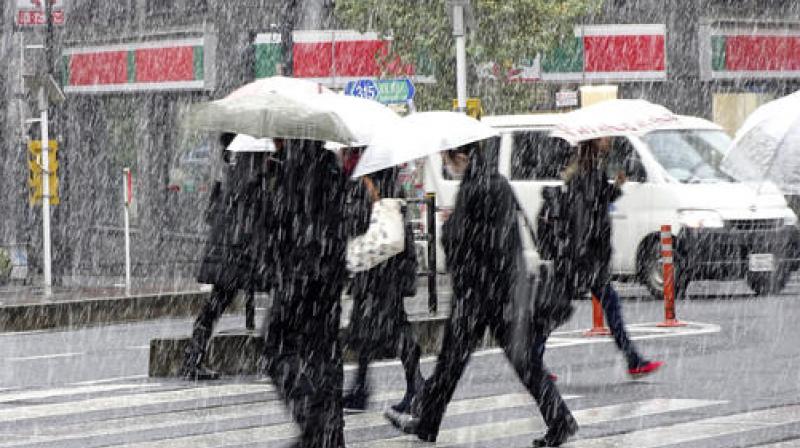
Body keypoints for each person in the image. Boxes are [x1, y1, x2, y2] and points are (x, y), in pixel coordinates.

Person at [385, 143, 578, 448]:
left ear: (460, 156)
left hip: (481, 292)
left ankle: (428, 424)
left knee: (455, 362)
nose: (446, 165)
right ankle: (559, 420)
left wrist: (449, 228)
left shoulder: (477, 186)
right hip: (502, 290)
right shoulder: (494, 180)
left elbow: (462, 240)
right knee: (511, 362)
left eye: (446, 158)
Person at [263, 139, 366, 448]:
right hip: (328, 281)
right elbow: (352, 221)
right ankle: (330, 435)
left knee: (277, 348)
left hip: (297, 280)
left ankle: (315, 428)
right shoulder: (331, 168)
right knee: (325, 359)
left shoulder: (284, 168)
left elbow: (272, 227)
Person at [538, 137, 663, 379]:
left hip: (585, 258)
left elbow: (598, 203)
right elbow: (585, 218)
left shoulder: (590, 169)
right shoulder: (585, 173)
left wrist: (615, 186)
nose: (609, 141)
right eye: (605, 138)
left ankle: (633, 360)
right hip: (583, 259)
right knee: (557, 310)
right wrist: (586, 256)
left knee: (566, 309)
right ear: (594, 143)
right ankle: (532, 359)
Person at [180, 134, 275, 381]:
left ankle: (193, 358)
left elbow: (213, 213)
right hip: (241, 250)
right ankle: (272, 360)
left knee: (215, 304)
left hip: (225, 247)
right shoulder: (256, 174)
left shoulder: (232, 169)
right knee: (280, 299)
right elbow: (262, 214)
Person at [343, 166, 424, 414]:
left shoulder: (373, 181)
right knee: (367, 329)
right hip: (383, 270)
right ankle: (362, 387)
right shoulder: (382, 179)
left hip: (381, 272)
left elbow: (363, 222)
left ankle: (416, 387)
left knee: (395, 329)